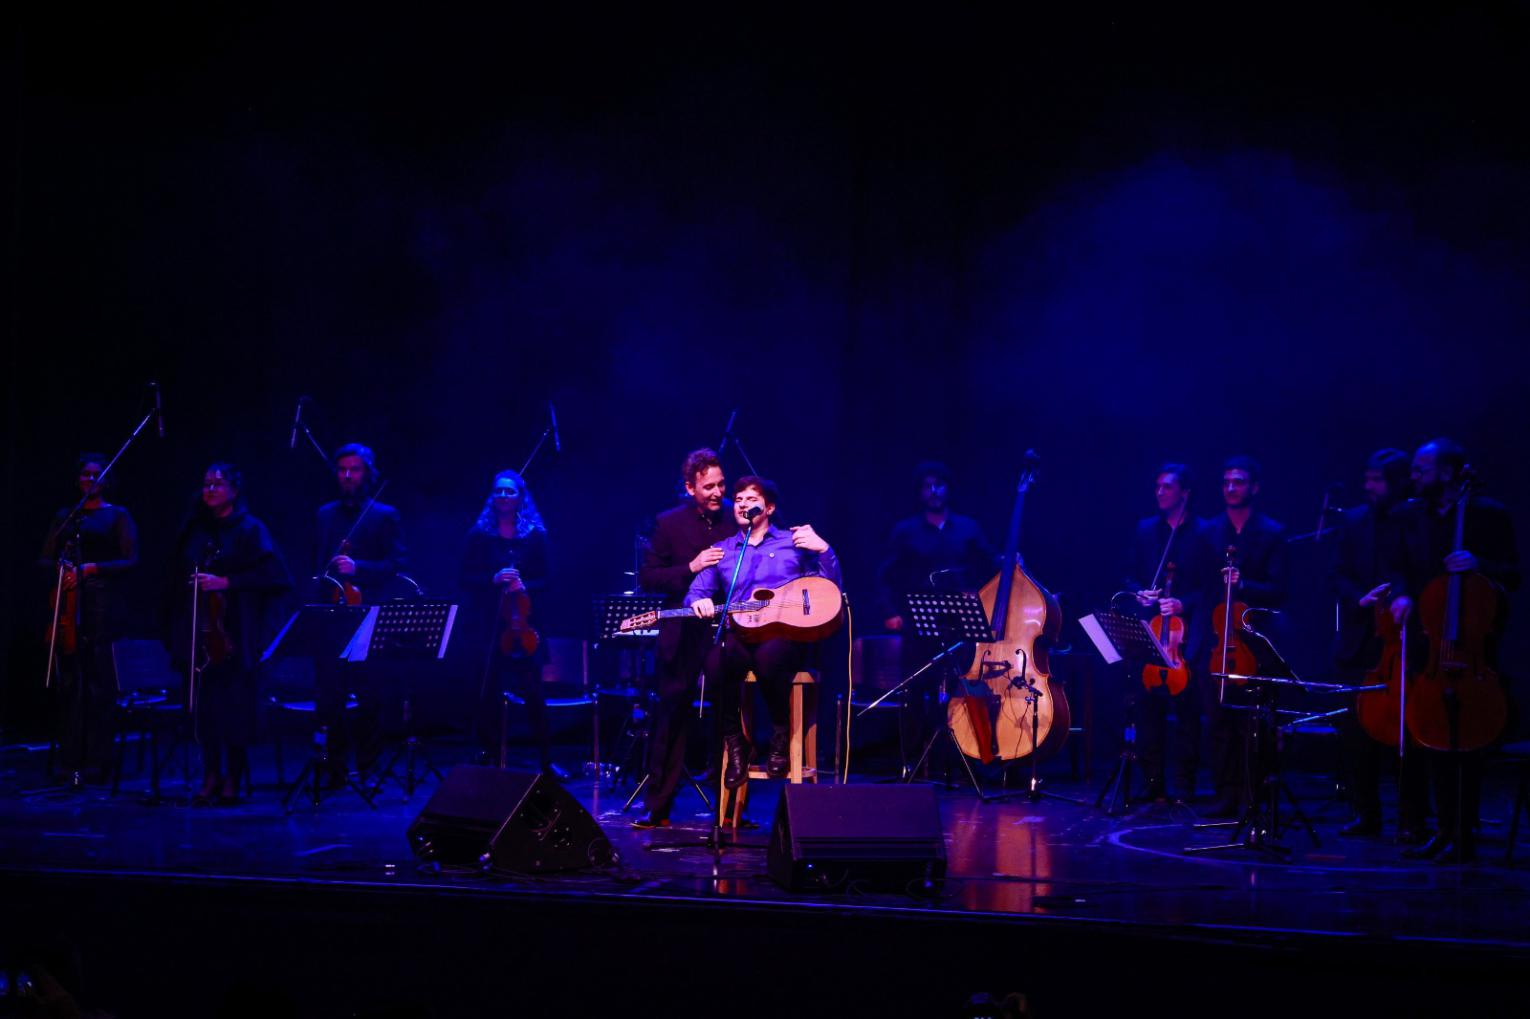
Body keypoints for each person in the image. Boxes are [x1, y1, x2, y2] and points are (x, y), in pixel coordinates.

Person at [1394, 438, 1519, 863]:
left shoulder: (1489, 514)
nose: (1413, 477)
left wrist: (1479, 564)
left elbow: (1515, 573)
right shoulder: (1413, 515)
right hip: (1430, 644)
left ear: (1447, 473)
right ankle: (1443, 828)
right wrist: (1403, 595)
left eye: (1420, 469)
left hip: (1472, 646)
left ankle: (1464, 830)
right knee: (1431, 738)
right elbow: (1402, 569)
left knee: (1470, 741)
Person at [688, 476, 842, 787]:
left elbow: (830, 587)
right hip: (742, 634)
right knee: (716, 661)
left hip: (786, 635)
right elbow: (696, 591)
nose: (743, 504)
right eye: (739, 500)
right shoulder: (724, 550)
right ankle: (735, 743)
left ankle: (780, 733)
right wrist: (699, 600)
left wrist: (824, 549)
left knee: (771, 656)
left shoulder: (792, 541)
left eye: (751, 499)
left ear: (769, 507)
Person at [167, 463, 291, 804]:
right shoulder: (195, 529)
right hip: (200, 632)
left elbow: (277, 577)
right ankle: (210, 775)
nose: (210, 489)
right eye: (206, 483)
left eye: (218, 484)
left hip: (236, 634)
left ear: (235, 490)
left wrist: (227, 583)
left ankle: (233, 777)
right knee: (205, 710)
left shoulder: (251, 529)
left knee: (234, 709)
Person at [1328, 448, 1429, 842]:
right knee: (1357, 733)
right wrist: (1360, 598)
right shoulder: (1353, 521)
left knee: (1410, 732)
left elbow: (1421, 572)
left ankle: (1413, 818)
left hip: (1407, 638)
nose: (1369, 487)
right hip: (1361, 639)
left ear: (1400, 482)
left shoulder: (1415, 519)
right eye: (1367, 479)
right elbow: (1336, 575)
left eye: (1378, 480)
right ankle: (1365, 813)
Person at [631, 448, 735, 828]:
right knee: (672, 715)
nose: (717, 491)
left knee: (729, 712)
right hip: (682, 630)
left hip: (724, 627)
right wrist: (691, 568)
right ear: (690, 486)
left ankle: (732, 810)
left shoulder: (734, 518)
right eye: (709, 486)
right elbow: (650, 577)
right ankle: (658, 806)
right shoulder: (669, 523)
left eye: (721, 484)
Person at [38, 454, 139, 783]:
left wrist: (92, 569)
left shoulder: (118, 516)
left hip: (103, 605)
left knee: (98, 684)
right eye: (85, 474)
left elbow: (131, 561)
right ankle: (70, 759)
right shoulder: (67, 517)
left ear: (107, 480)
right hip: (69, 606)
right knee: (71, 683)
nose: (91, 478)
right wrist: (62, 569)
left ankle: (98, 761)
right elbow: (45, 557)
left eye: (98, 474)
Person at [313, 443, 406, 784]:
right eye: (342, 470)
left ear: (368, 474)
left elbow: (397, 564)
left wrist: (359, 567)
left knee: (370, 697)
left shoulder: (384, 514)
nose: (348, 476)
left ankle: (368, 767)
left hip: (368, 616)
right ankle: (334, 768)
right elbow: (319, 562)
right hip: (333, 618)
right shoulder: (325, 515)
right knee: (330, 698)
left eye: (355, 470)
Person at [1200, 456, 1288, 817]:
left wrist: (1244, 584)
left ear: (1254, 487)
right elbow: (1199, 584)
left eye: (1238, 482)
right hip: (1217, 639)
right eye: (1226, 482)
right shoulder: (1209, 531)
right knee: (1219, 719)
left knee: (1253, 722)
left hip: (1256, 641)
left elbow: (1280, 589)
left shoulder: (1272, 532)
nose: (1231, 488)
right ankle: (1225, 794)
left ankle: (1254, 793)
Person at [458, 469, 555, 773]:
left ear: (520, 497)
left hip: (525, 625)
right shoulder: (479, 535)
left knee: (533, 692)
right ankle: (489, 755)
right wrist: (493, 578)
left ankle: (545, 759)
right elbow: (463, 578)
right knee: (487, 692)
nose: (503, 496)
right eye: (498, 491)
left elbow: (548, 580)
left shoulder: (535, 535)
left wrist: (523, 584)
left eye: (509, 491)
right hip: (489, 625)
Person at [1124, 463, 1209, 802]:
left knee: (1188, 713)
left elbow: (1209, 587)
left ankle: (1186, 782)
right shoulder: (1145, 531)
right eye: (1157, 486)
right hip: (1151, 629)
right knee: (1148, 711)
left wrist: (1182, 603)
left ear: (1185, 492)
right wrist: (1139, 593)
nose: (1160, 492)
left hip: (1186, 635)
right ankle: (1152, 782)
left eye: (1168, 487)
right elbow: (1128, 575)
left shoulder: (1204, 532)